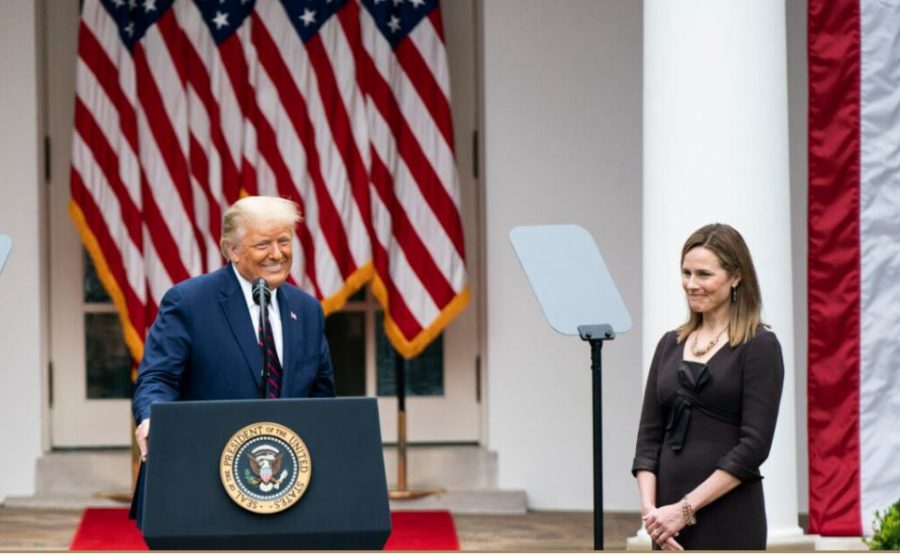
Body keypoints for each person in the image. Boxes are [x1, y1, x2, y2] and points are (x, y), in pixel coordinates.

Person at [129, 196, 335, 525]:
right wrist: (154, 419)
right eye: (263, 244)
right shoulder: (190, 302)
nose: (277, 254)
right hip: (203, 482)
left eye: (284, 241)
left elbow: (322, 398)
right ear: (232, 250)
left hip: (287, 487)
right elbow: (158, 379)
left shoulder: (307, 310)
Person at [632, 223, 784, 550]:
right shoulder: (669, 345)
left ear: (736, 277)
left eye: (703, 274)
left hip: (728, 514)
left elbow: (753, 447)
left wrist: (685, 509)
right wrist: (652, 513)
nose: (691, 284)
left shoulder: (759, 346)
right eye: (686, 273)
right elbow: (648, 439)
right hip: (666, 521)